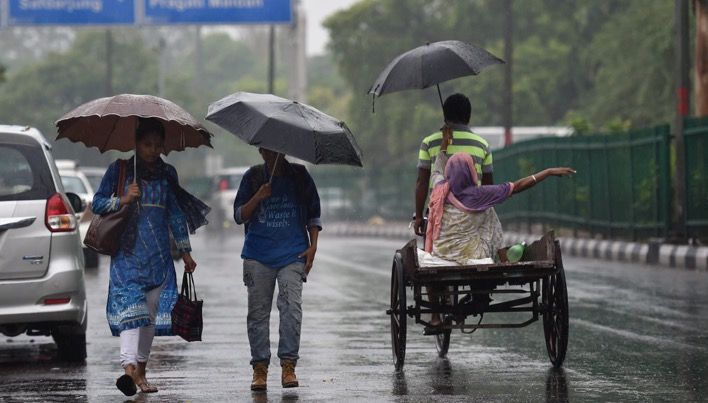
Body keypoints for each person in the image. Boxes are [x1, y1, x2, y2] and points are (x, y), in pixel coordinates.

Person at [92, 117, 209, 396]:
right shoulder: (119, 170)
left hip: (159, 259)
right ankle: (128, 370)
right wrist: (122, 199)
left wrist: (186, 251)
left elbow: (176, 214)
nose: (152, 150)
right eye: (147, 144)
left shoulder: (168, 174)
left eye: (158, 145)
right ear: (136, 144)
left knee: (149, 318)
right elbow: (96, 203)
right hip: (127, 257)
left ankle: (140, 372)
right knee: (133, 314)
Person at [424, 126, 574, 327]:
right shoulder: (481, 194)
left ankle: (437, 316)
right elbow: (518, 186)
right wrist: (547, 172)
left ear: (449, 174)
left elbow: (437, 167)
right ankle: (480, 293)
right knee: (489, 212)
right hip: (473, 255)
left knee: (483, 213)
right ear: (471, 173)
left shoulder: (439, 187)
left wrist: (445, 143)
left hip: (442, 253)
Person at [233, 147, 321, 391]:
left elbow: (314, 214)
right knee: (258, 314)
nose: (273, 155)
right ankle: (259, 369)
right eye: (268, 151)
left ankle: (288, 365)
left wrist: (313, 246)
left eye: (278, 151)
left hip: (293, 254)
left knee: (291, 308)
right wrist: (258, 197)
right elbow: (239, 215)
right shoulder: (252, 177)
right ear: (261, 151)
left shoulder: (301, 176)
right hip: (257, 256)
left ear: (284, 150)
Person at [415, 93, 494, 236]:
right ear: (468, 116)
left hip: (438, 216)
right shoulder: (483, 145)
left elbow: (422, 182)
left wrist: (419, 217)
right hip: (472, 215)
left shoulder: (429, 143)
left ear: (445, 116)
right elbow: (487, 187)